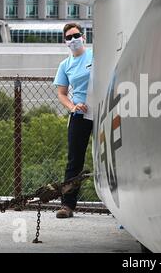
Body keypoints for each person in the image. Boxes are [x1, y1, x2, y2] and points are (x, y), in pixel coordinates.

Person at [53, 23, 93, 219]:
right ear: (65, 42)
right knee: (74, 160)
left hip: (103, 111)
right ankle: (67, 205)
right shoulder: (65, 65)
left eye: (76, 35)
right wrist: (72, 107)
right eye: (69, 37)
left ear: (83, 37)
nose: (73, 39)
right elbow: (61, 93)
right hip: (79, 115)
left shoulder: (96, 55)